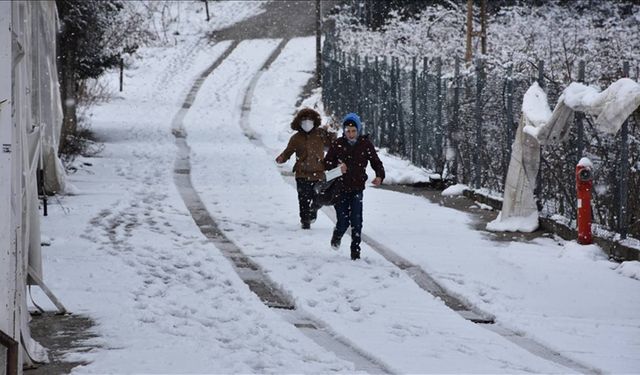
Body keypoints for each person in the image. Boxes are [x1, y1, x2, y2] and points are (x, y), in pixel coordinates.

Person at [324, 113, 385, 260]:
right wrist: (338, 166)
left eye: (353, 131)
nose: (350, 134)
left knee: (357, 221)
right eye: (348, 131)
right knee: (343, 221)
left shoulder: (365, 145)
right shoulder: (338, 144)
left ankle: (355, 252)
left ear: (358, 130)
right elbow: (326, 163)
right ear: (344, 131)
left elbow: (376, 162)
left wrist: (379, 175)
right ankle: (337, 234)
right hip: (340, 188)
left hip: (357, 188)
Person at [276, 108, 336, 229]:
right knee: (303, 198)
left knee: (317, 197)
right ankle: (305, 221)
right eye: (304, 120)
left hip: (318, 173)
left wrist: (331, 131)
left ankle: (313, 211)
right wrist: (282, 157)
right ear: (299, 122)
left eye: (310, 120)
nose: (307, 123)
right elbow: (288, 152)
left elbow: (332, 144)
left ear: (315, 121)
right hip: (301, 174)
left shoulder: (320, 134)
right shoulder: (296, 138)